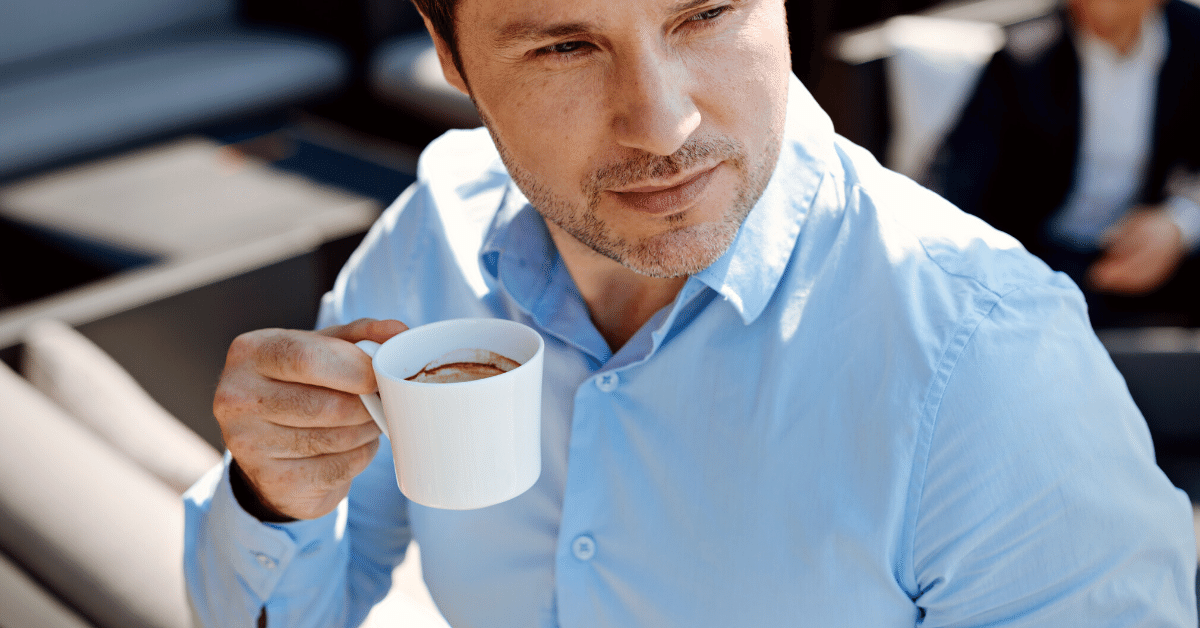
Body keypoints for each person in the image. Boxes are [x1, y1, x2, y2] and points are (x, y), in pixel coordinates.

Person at [184, 0, 1197, 625]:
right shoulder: (430, 242)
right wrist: (273, 496)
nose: (664, 124)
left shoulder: (988, 360)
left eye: (706, 11)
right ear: (451, 56)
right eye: (565, 46)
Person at [930, 0, 1200, 328]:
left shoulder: (1191, 37)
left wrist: (1180, 223)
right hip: (1044, 262)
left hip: (1158, 251)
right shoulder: (1024, 54)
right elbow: (957, 180)